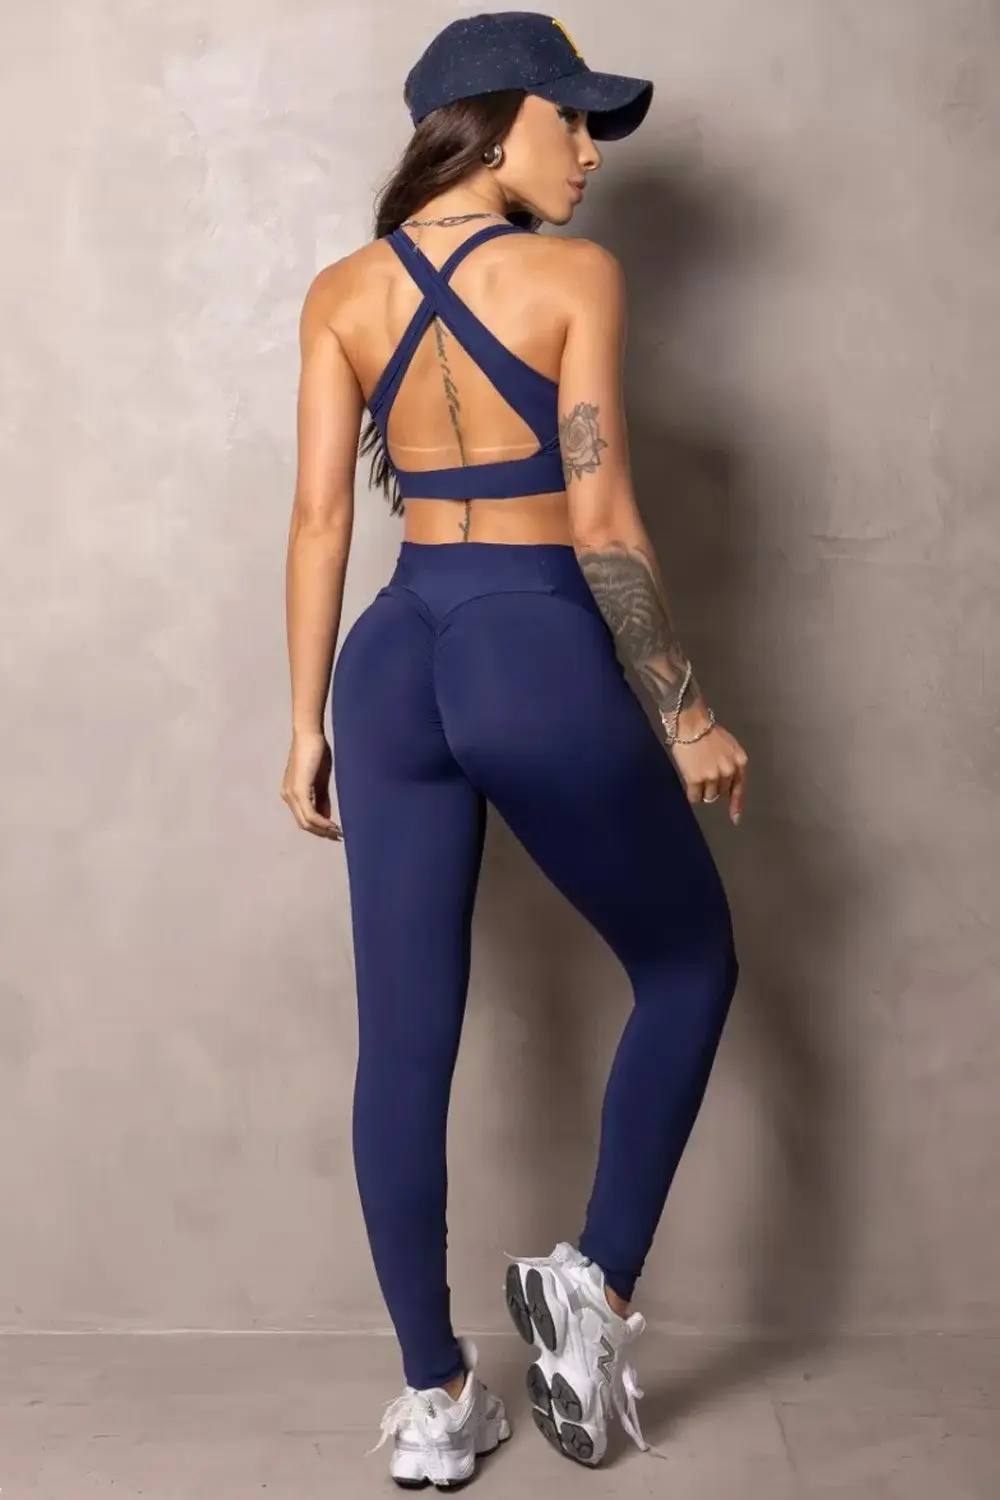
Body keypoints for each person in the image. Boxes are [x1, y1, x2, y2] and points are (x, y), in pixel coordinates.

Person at [281, 10, 747, 1488]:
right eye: (571, 120)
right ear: (490, 125)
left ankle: (433, 1399)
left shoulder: (342, 290)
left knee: (403, 1040)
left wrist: (302, 721)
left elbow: (320, 521)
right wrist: (686, 711)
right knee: (691, 964)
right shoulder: (573, 276)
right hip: (526, 643)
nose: (590, 153)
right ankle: (593, 1285)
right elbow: (600, 520)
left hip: (389, 660)